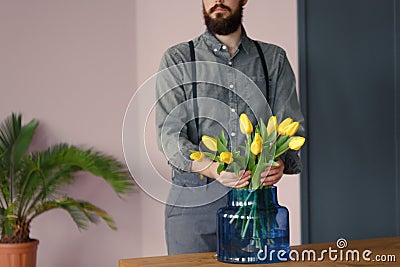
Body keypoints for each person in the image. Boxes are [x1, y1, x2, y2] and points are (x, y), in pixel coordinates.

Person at [155, 0, 304, 255]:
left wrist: (278, 162)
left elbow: (289, 126)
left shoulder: (273, 59)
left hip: (256, 209)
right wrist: (212, 168)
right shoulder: (178, 59)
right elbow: (169, 135)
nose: (217, 1)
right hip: (193, 211)